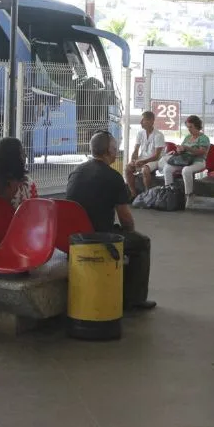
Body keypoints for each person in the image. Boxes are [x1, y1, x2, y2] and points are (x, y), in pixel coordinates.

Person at [67, 131, 156, 310]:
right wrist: (128, 232)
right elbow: (126, 220)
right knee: (141, 243)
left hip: (74, 236)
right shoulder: (113, 177)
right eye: (115, 148)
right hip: (99, 236)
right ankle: (135, 299)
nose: (116, 152)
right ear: (110, 150)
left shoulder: (76, 171)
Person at [161, 115, 210, 208]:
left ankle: (189, 195)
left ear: (197, 126)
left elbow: (201, 152)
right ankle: (169, 193)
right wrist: (180, 150)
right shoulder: (187, 137)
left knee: (186, 170)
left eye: (191, 127)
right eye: (188, 127)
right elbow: (183, 149)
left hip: (198, 161)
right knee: (167, 168)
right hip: (184, 160)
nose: (189, 129)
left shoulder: (204, 138)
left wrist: (188, 148)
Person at [0, 137, 38, 209]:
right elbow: (35, 209)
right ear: (14, 157)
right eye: (22, 152)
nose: (25, 155)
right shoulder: (26, 184)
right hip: (19, 220)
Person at [124, 111, 166, 198]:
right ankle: (133, 193)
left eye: (144, 120)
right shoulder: (140, 133)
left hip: (155, 161)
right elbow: (136, 150)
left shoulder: (158, 135)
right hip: (142, 159)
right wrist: (133, 160)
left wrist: (142, 161)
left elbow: (156, 156)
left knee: (145, 170)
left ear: (151, 121)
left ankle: (147, 194)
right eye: (141, 120)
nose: (141, 122)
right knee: (128, 168)